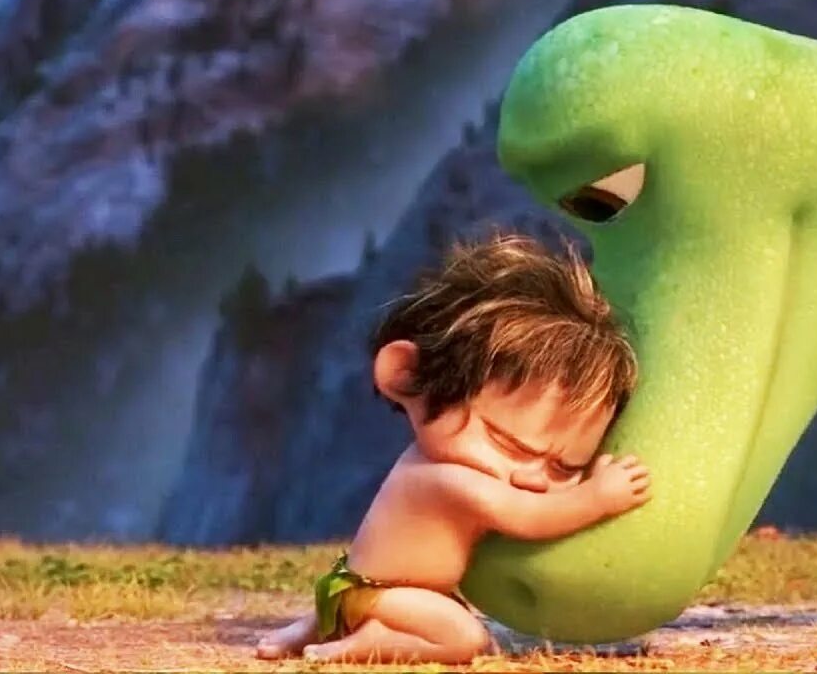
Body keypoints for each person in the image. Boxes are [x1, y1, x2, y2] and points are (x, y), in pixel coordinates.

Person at [255, 233, 648, 664]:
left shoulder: (433, 463)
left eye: (563, 466)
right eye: (506, 443)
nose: (531, 477)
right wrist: (596, 495)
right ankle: (355, 646)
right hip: (378, 596)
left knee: (443, 616)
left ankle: (304, 630)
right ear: (407, 377)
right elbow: (530, 517)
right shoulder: (447, 479)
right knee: (464, 637)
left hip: (362, 588)